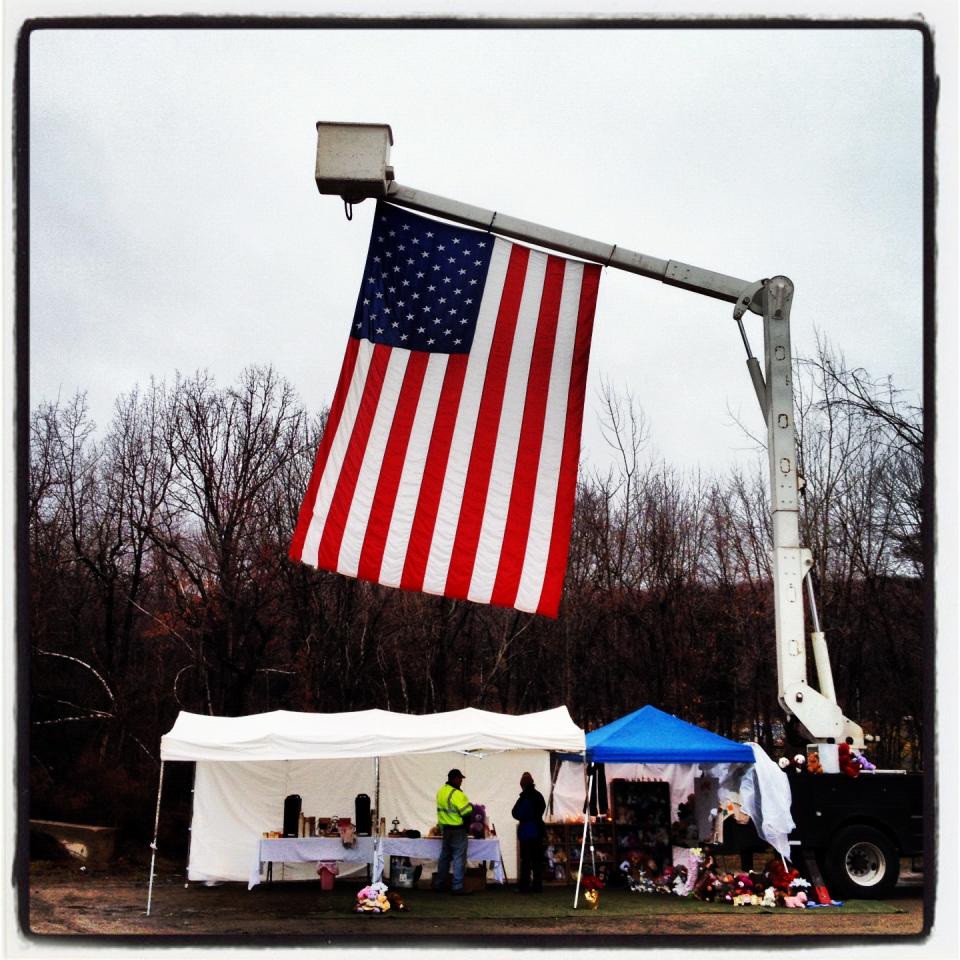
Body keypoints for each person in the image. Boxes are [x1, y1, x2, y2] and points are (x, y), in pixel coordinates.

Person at [433, 768, 473, 894]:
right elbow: (467, 814)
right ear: (454, 778)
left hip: (446, 830)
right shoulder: (457, 794)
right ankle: (457, 886)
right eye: (460, 778)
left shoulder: (441, 792)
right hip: (458, 830)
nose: (461, 781)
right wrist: (467, 828)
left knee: (444, 858)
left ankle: (439, 884)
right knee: (458, 858)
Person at [511, 771, 546, 892]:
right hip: (538, 830)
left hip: (527, 831)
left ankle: (524, 886)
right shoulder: (539, 796)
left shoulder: (524, 797)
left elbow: (516, 813)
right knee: (537, 860)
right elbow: (542, 809)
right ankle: (537, 885)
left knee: (526, 860)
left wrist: (524, 818)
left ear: (523, 785)